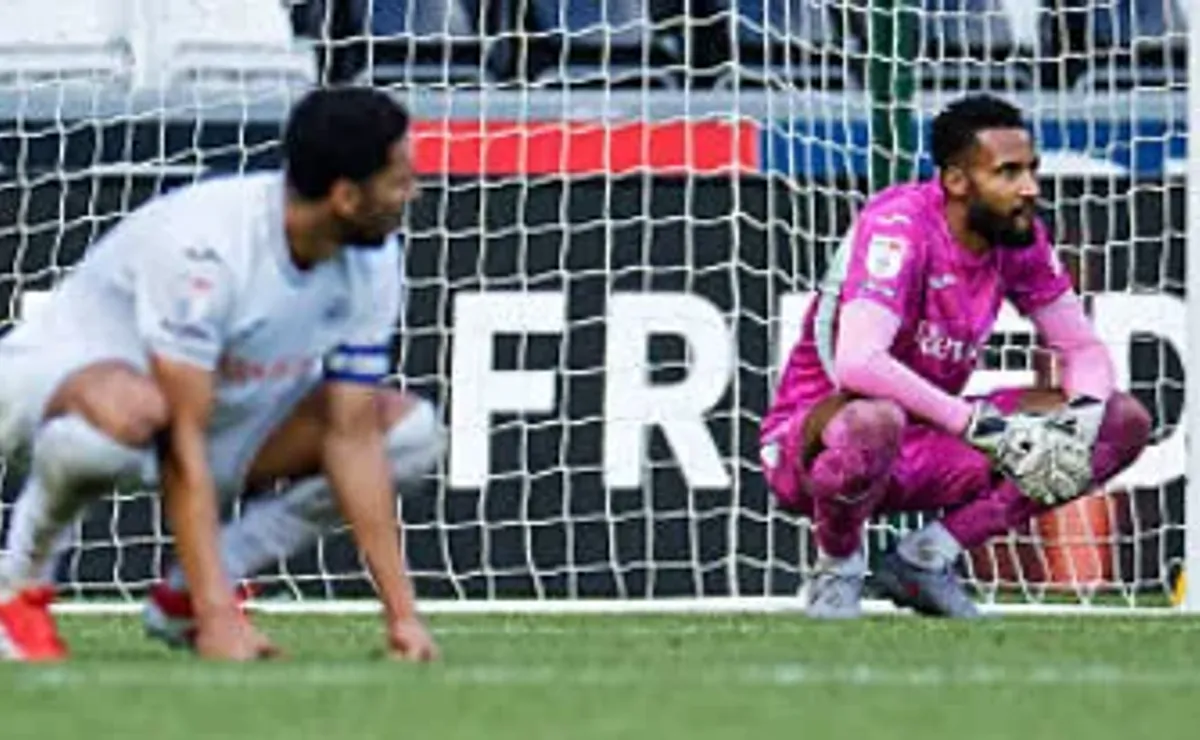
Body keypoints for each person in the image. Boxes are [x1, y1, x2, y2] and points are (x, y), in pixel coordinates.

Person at [0, 86, 442, 660]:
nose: (414, 192)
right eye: (400, 180)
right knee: (133, 412)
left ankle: (184, 595)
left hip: (197, 420)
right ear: (346, 197)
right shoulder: (207, 245)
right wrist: (221, 621)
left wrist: (402, 617)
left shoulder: (374, 259)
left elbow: (351, 435)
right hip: (44, 394)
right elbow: (182, 438)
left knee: (408, 437)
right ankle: (19, 590)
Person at [760, 94, 1152, 619]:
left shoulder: (1019, 237)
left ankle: (925, 558)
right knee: (875, 419)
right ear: (956, 181)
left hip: (930, 440)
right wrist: (980, 427)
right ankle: (838, 567)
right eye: (1008, 172)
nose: (1030, 188)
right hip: (818, 440)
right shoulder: (900, 225)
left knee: (1119, 421)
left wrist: (1079, 419)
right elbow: (858, 364)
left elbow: (1081, 348)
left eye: (1032, 169)